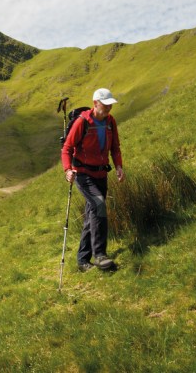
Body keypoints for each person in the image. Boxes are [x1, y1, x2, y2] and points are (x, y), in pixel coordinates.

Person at [61, 88, 125, 272]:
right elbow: (67, 148)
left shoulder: (110, 122)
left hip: (101, 174)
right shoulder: (83, 122)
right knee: (99, 204)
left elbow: (115, 148)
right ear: (95, 103)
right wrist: (67, 170)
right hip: (83, 174)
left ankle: (82, 261)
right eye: (106, 105)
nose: (109, 108)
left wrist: (119, 166)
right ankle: (100, 255)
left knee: (93, 215)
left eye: (110, 105)